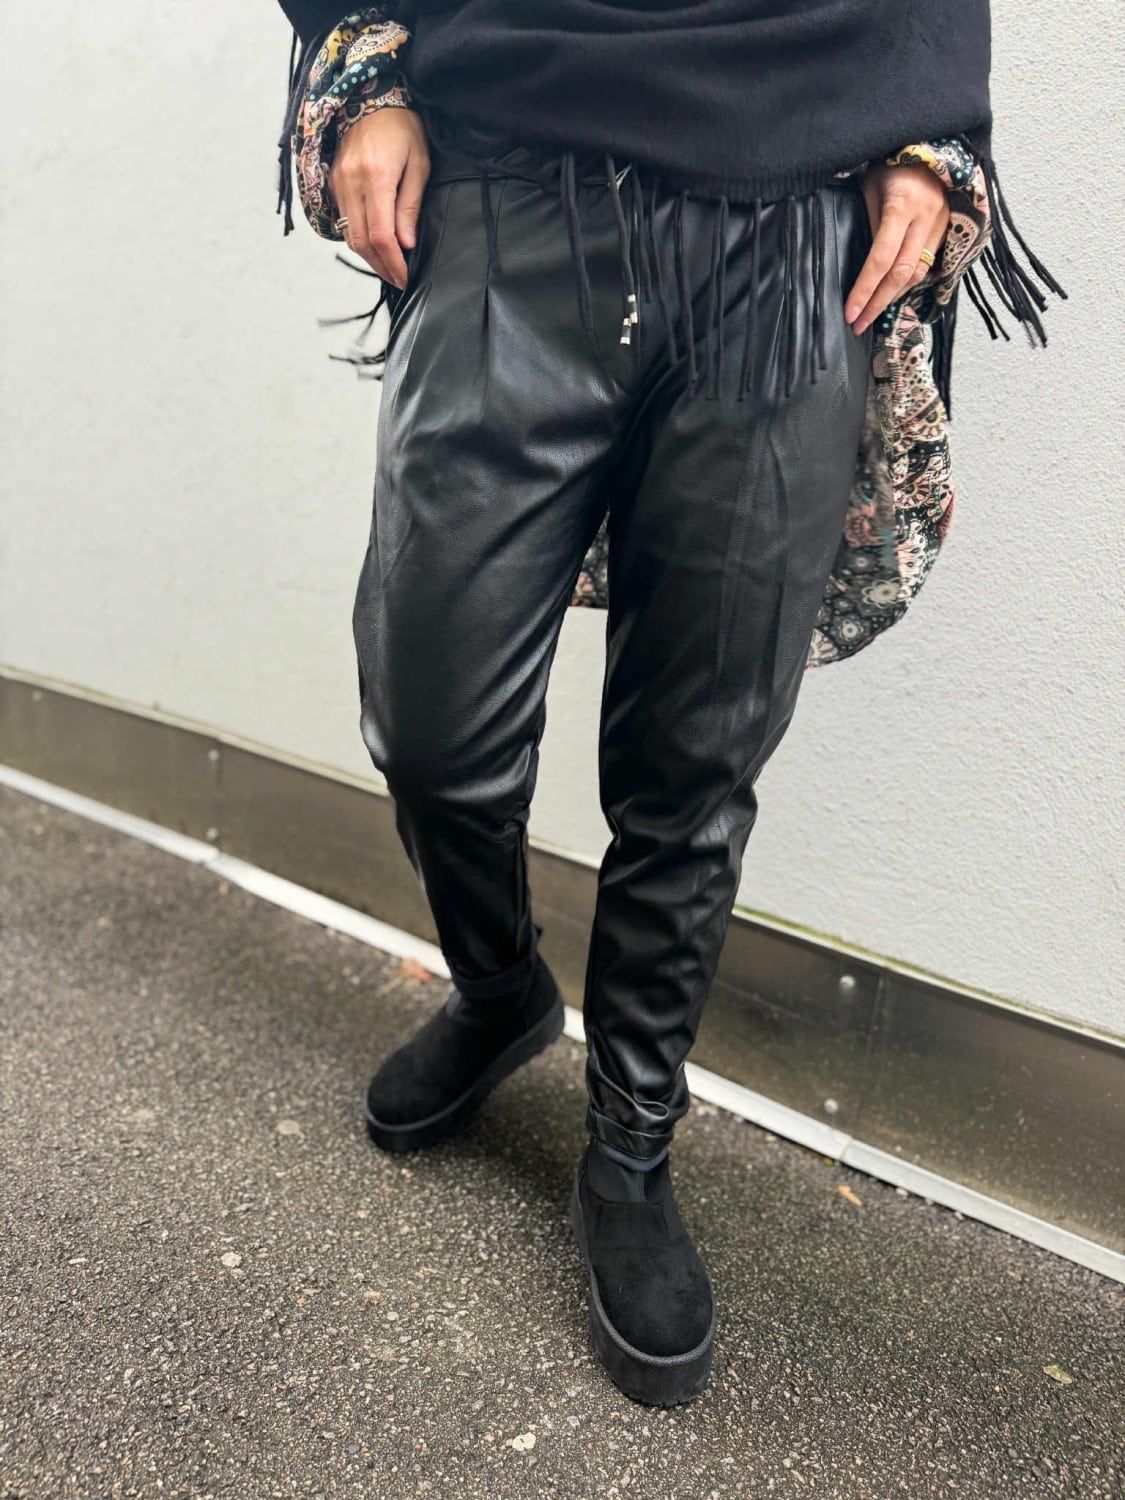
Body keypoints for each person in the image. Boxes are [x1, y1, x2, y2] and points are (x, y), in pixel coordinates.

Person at [273, 1, 1061, 1407]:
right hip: (511, 180)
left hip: (794, 221)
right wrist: (363, 64)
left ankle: (631, 1142)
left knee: (695, 758)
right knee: (430, 724)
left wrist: (932, 127)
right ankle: (501, 988)